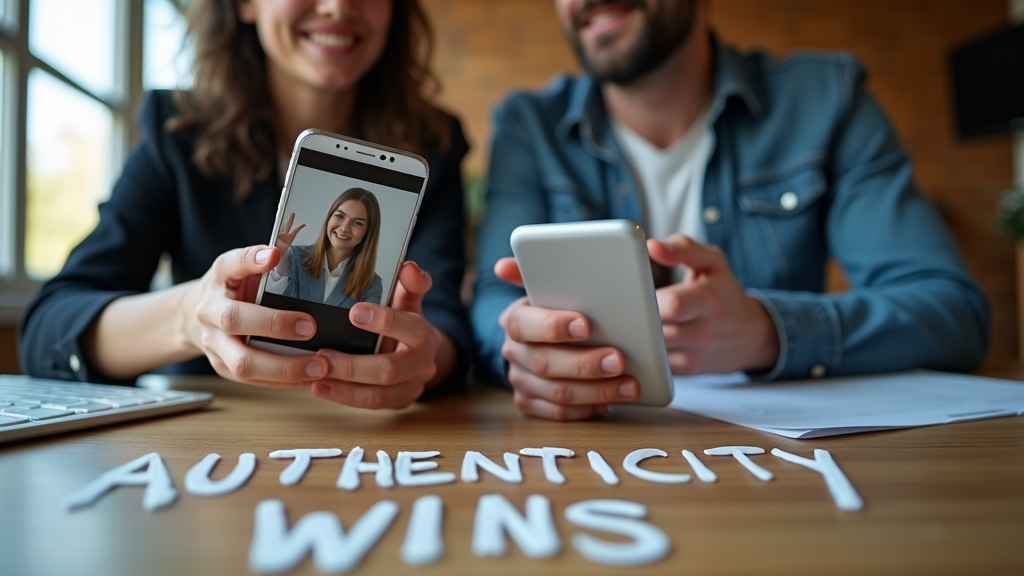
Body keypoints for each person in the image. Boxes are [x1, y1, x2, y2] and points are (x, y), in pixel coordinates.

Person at [471, 0, 991, 421]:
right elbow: (495, 301)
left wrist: (768, 331)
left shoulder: (826, 100)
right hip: (602, 464)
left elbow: (952, 312)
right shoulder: (528, 126)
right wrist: (526, 348)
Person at [19, 0, 472, 409]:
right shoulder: (176, 130)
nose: (338, 7)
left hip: (371, 438)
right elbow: (49, 329)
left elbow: (446, 325)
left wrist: (426, 357)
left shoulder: (435, 144)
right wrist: (187, 317)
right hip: (210, 431)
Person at [268, 188, 384, 306]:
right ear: (329, 218)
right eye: (340, 216)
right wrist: (280, 255)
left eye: (357, 223)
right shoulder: (294, 256)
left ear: (368, 232)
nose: (344, 228)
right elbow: (273, 300)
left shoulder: (372, 285)